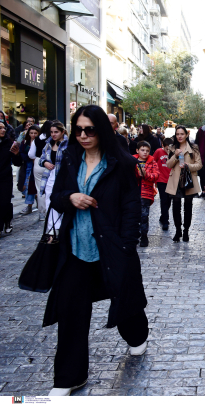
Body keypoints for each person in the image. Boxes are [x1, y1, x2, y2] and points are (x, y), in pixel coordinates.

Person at [45, 105, 148, 396]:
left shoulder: (122, 163)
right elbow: (56, 197)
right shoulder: (70, 159)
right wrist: (71, 197)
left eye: (89, 129)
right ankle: (68, 378)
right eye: (78, 129)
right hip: (75, 249)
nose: (83, 135)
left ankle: (138, 335)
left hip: (110, 247)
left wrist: (127, 245)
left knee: (124, 299)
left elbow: (131, 208)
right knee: (71, 312)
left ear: (101, 129)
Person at [165, 126, 202, 242]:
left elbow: (199, 165)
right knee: (175, 206)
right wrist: (175, 156)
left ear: (186, 134)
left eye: (182, 134)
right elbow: (168, 165)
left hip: (188, 180)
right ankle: (178, 230)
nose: (179, 136)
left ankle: (186, 230)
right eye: (177, 134)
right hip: (175, 180)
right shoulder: (172, 148)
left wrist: (188, 166)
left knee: (188, 206)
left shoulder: (194, 148)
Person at [39, 121, 69, 233]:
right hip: (49, 176)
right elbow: (41, 158)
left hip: (62, 177)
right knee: (48, 200)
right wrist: (45, 163)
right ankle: (51, 230)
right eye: (51, 132)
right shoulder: (48, 144)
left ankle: (59, 228)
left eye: (56, 132)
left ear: (62, 132)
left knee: (60, 201)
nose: (53, 134)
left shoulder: (68, 144)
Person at [133, 141, 159, 247]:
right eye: (142, 150)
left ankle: (144, 236)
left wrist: (146, 174)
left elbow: (156, 176)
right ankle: (134, 235)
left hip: (146, 193)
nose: (145, 153)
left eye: (147, 151)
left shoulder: (152, 162)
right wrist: (137, 175)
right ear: (137, 150)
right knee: (133, 216)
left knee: (144, 216)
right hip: (133, 193)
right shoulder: (132, 161)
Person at [0, 122, 22, 234]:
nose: (3, 130)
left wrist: (17, 154)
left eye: (4, 128)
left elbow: (17, 163)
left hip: (5, 178)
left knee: (4, 202)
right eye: (0, 128)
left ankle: (7, 221)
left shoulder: (9, 144)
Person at [29, 121, 53, 220]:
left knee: (40, 189)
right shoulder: (53, 138)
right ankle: (50, 210)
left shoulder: (37, 139)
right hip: (51, 163)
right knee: (51, 187)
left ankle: (42, 213)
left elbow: (31, 154)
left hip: (39, 162)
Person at [18, 125, 40, 215]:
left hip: (37, 165)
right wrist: (28, 157)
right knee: (27, 186)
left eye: (35, 133)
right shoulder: (25, 142)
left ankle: (35, 203)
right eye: (31, 133)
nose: (33, 135)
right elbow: (21, 152)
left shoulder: (40, 142)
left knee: (36, 186)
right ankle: (30, 204)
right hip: (27, 166)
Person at [152, 138, 173, 231]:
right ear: (163, 146)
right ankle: (165, 221)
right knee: (164, 200)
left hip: (171, 180)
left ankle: (163, 216)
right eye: (167, 149)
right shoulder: (158, 151)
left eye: (170, 149)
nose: (168, 151)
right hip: (161, 180)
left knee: (169, 200)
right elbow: (153, 161)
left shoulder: (174, 153)